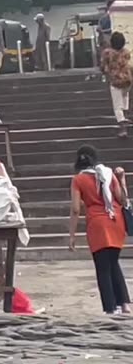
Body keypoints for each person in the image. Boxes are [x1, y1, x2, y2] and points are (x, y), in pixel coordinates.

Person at [69, 145, 131, 314]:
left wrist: (72, 235)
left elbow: (75, 209)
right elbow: (121, 199)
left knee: (102, 267)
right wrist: (122, 180)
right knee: (113, 262)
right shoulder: (109, 174)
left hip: (97, 224)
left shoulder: (78, 180)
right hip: (116, 221)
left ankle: (110, 308)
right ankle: (124, 303)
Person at [101, 32, 132, 136]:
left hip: (115, 81)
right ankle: (126, 116)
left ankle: (123, 127)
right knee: (125, 98)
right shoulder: (126, 53)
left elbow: (103, 67)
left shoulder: (108, 54)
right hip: (127, 80)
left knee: (117, 106)